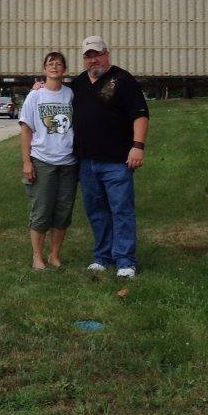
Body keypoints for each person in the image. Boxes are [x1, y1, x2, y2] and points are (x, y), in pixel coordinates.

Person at [71, 35, 149, 279]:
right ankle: (102, 257)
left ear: (106, 53)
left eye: (97, 54)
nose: (93, 60)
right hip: (86, 161)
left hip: (117, 160)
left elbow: (140, 114)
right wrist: (39, 87)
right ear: (84, 59)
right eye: (88, 56)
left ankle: (125, 261)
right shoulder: (78, 84)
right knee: (96, 211)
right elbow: (56, 95)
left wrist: (137, 146)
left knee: (121, 210)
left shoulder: (123, 80)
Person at [19, 51, 78, 270]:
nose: (54, 66)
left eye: (59, 64)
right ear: (44, 69)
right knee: (41, 210)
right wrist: (27, 162)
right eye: (50, 64)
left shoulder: (71, 95)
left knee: (63, 211)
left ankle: (54, 255)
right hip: (42, 160)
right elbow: (26, 130)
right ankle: (37, 257)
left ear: (64, 69)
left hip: (68, 162)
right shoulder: (35, 96)